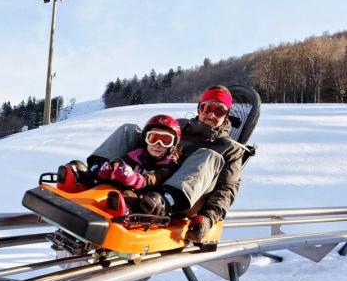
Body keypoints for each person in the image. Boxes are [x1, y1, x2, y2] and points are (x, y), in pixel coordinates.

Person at [86, 85, 246, 241]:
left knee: (208, 155)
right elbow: (149, 142)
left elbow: (227, 189)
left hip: (184, 200)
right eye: (207, 108)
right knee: (130, 130)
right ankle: (96, 170)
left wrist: (208, 217)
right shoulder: (181, 126)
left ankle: (165, 201)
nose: (211, 114)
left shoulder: (230, 148)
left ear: (227, 114)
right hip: (152, 180)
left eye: (219, 110)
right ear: (199, 109)